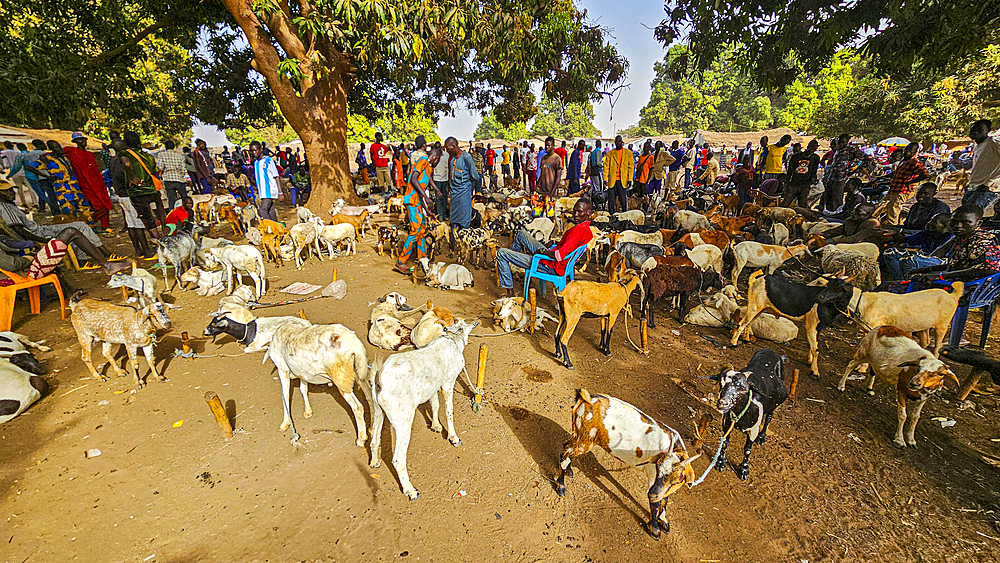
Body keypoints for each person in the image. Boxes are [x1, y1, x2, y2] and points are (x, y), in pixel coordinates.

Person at [0, 180, 127, 272]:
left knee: (79, 225)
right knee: (77, 228)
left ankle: (102, 256)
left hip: (39, 230)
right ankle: (101, 258)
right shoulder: (5, 206)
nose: (11, 193)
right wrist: (41, 241)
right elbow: (18, 229)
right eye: (6, 192)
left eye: (11, 190)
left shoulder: (10, 205)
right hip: (38, 234)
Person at [495, 199, 594, 297]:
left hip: (550, 265)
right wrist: (555, 242)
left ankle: (510, 293)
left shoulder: (578, 230)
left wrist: (543, 251)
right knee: (521, 234)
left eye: (579, 212)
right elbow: (569, 246)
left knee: (501, 253)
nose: (575, 214)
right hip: (554, 260)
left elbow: (559, 256)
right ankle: (510, 264)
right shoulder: (586, 229)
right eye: (574, 211)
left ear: (588, 212)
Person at [910, 205, 1000, 284]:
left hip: (974, 288)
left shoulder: (981, 241)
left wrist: (941, 276)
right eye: (954, 221)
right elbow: (957, 266)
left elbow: (988, 269)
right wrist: (925, 270)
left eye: (966, 222)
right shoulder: (963, 236)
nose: (958, 226)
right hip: (957, 282)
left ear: (978, 223)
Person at [395, 136, 438, 274]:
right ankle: (400, 261)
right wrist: (427, 197)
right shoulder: (423, 161)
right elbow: (413, 179)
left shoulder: (428, 168)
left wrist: (427, 209)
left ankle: (422, 258)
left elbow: (420, 192)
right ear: (435, 158)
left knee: (422, 229)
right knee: (415, 231)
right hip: (412, 201)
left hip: (417, 202)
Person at [120, 132, 167, 240]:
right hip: (152, 189)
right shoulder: (148, 156)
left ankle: (159, 242)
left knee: (148, 219)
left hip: (138, 192)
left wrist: (132, 177)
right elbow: (156, 171)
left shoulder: (124, 154)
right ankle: (165, 229)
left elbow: (126, 163)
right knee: (160, 209)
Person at [63, 132, 113, 230]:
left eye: (84, 139)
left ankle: (104, 225)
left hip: (98, 182)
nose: (83, 141)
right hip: (84, 183)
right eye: (79, 140)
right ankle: (88, 222)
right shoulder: (71, 151)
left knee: (105, 203)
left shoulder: (91, 155)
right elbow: (56, 152)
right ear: (75, 141)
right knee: (95, 205)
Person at [882, 213, 953, 280]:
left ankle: (907, 283)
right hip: (927, 256)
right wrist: (895, 234)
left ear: (945, 227)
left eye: (934, 222)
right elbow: (906, 240)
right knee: (890, 253)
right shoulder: (928, 232)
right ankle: (900, 280)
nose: (929, 223)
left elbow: (939, 256)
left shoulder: (951, 237)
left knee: (909, 261)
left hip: (941, 261)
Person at [880, 142, 929, 226]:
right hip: (893, 189)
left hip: (901, 190)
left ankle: (892, 228)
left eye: (910, 150)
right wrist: (881, 178)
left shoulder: (914, 163)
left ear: (916, 152)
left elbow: (925, 175)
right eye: (906, 149)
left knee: (893, 211)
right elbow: (895, 173)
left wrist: (909, 182)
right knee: (883, 206)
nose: (907, 152)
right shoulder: (903, 161)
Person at [825, 133, 872, 214]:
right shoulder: (837, 150)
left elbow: (867, 159)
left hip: (841, 178)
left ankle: (837, 216)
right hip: (831, 178)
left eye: (843, 142)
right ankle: (829, 215)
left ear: (847, 142)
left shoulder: (851, 150)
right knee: (829, 198)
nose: (841, 144)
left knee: (837, 199)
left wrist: (856, 170)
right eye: (840, 142)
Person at [445, 136, 480, 235]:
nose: (447, 151)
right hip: (454, 194)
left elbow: (475, 176)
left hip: (464, 193)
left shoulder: (466, 157)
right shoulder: (451, 158)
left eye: (448, 149)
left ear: (454, 146)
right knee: (453, 219)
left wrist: (466, 186)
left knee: (464, 220)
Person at [781, 139, 820, 208]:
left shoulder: (815, 158)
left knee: (802, 205)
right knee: (786, 202)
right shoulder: (796, 156)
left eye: (815, 148)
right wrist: (786, 185)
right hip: (794, 183)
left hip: (805, 185)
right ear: (808, 146)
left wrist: (814, 180)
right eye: (812, 147)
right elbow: (790, 172)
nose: (813, 149)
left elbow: (814, 172)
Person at [249, 141, 279, 222]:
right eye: (252, 151)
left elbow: (276, 176)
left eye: (255, 150)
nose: (254, 152)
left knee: (262, 210)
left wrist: (280, 192)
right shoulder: (256, 163)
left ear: (260, 149)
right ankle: (277, 227)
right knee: (270, 210)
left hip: (269, 190)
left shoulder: (268, 160)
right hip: (262, 192)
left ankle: (271, 227)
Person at [534, 137, 563, 218]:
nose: (547, 147)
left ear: (553, 146)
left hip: (550, 191)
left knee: (550, 215)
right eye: (546, 145)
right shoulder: (544, 158)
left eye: (549, 145)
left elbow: (558, 177)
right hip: (540, 190)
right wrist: (537, 187)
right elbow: (542, 174)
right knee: (536, 215)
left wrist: (552, 192)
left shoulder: (557, 158)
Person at [155, 139, 189, 210]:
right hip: (179, 179)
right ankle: (187, 213)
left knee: (171, 200)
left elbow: (160, 167)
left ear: (166, 147)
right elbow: (183, 169)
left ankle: (172, 215)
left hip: (168, 179)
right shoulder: (180, 156)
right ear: (174, 147)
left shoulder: (161, 155)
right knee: (184, 198)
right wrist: (181, 176)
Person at [604, 136, 634, 213]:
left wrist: (630, 179)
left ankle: (624, 216)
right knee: (611, 201)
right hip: (612, 181)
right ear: (615, 143)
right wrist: (605, 179)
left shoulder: (628, 153)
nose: (618, 143)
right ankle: (611, 216)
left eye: (619, 141)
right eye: (616, 142)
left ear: (622, 143)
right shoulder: (610, 153)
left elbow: (631, 167)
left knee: (623, 200)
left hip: (623, 181)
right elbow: (606, 166)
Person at [969, 119, 1000, 189]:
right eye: (973, 129)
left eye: (980, 130)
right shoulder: (977, 146)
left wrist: (988, 183)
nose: (976, 132)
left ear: (987, 131)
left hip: (989, 189)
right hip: (974, 187)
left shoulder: (994, 143)